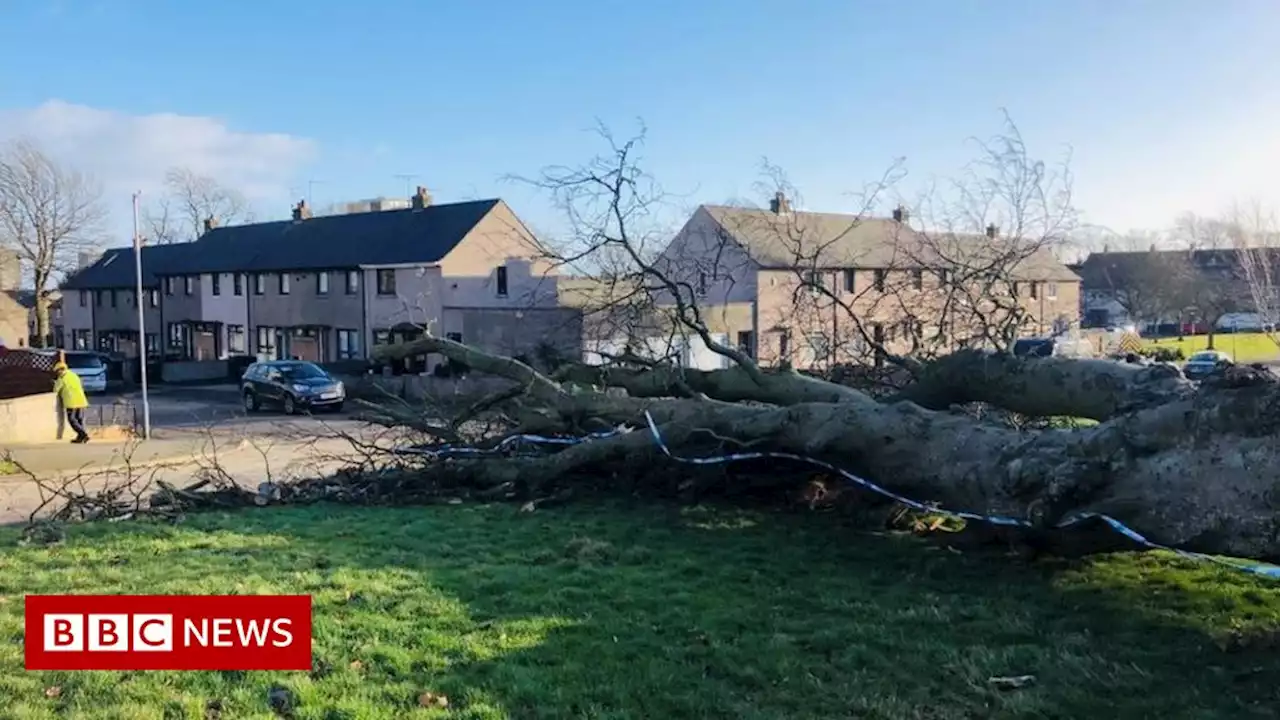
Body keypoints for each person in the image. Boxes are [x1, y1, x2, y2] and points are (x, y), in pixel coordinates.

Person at [53, 360, 90, 443]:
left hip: (71, 401)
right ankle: (80, 437)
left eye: (57, 371)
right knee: (79, 419)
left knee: (72, 420)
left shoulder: (62, 378)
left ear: (60, 370)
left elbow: (55, 390)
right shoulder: (74, 375)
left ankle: (84, 434)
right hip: (81, 400)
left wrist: (54, 383)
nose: (57, 373)